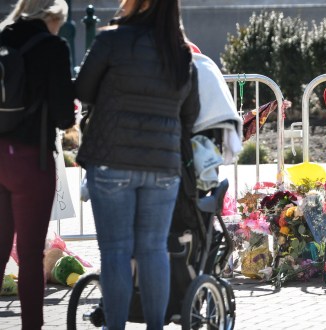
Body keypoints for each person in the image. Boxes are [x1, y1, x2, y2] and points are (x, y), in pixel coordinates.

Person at [74, 0, 199, 328]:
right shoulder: (180, 53)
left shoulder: (111, 39)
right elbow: (191, 113)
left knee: (116, 252)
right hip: (163, 165)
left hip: (112, 160)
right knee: (153, 249)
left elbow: (83, 89)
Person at [0, 0, 75, 329]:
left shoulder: (2, 36)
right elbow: (63, 115)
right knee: (30, 256)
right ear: (52, 14)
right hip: (31, 159)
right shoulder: (53, 47)